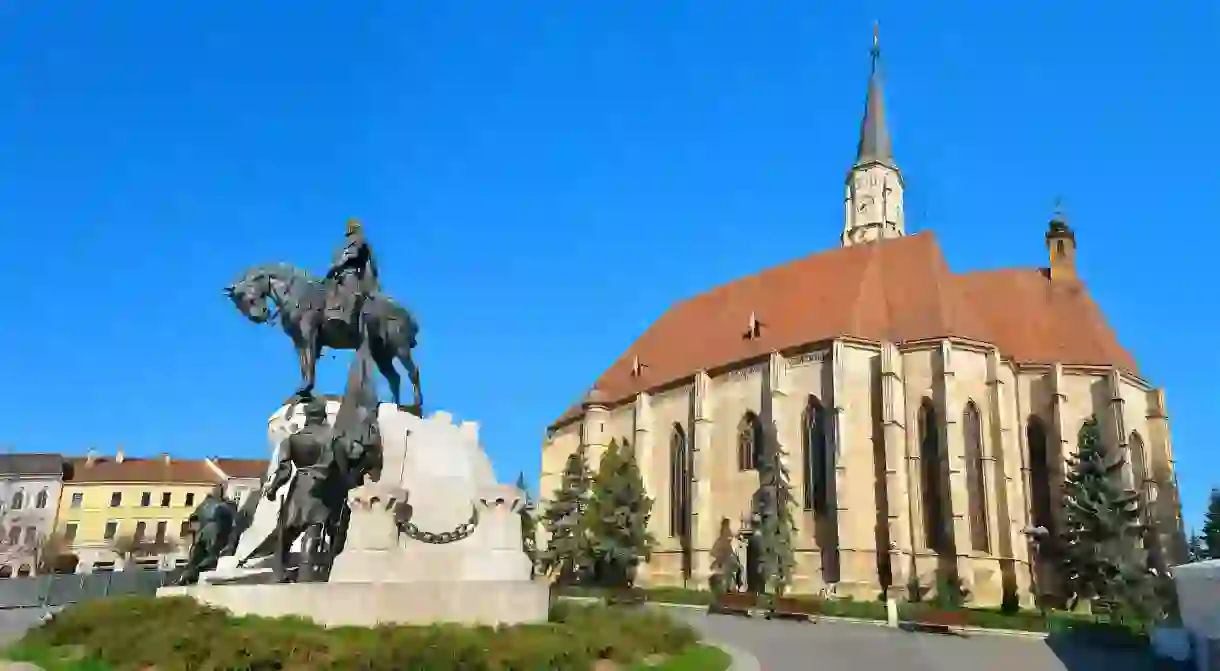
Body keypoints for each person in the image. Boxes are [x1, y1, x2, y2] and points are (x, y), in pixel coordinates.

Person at [324, 218, 381, 328]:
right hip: (340, 274)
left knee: (349, 282)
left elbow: (353, 254)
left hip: (358, 275)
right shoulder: (342, 246)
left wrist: (340, 262)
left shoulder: (360, 241)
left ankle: (344, 316)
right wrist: (333, 268)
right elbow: (337, 259)